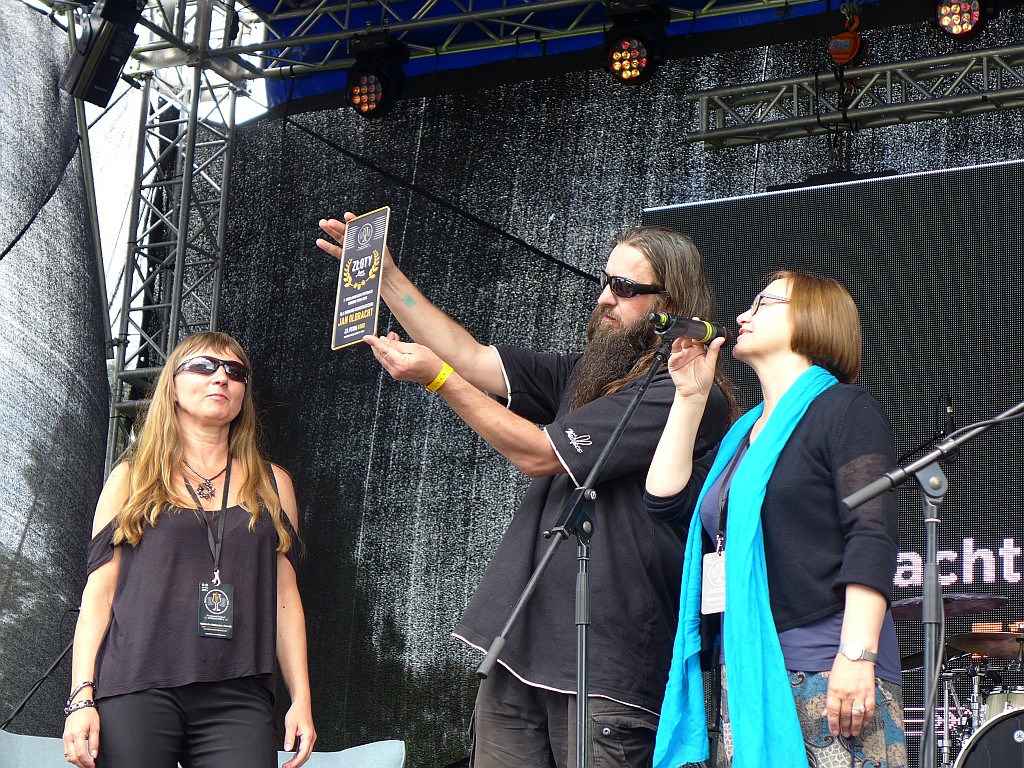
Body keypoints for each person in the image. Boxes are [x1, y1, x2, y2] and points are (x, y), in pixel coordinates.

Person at [317, 216, 733, 767]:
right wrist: (388, 277)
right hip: (521, 647)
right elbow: (471, 357)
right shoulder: (584, 373)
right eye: (605, 281)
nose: (605, 298)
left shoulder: (681, 392)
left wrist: (439, 380)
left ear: (670, 305)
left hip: (605, 661)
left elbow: (538, 453)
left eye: (625, 288)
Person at [644, 271, 906, 768]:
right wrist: (689, 398)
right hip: (747, 667)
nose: (743, 315)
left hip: (826, 662)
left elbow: (871, 534)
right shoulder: (743, 436)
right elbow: (664, 501)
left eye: (763, 303)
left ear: (813, 318)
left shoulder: (844, 409)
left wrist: (857, 655)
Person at [62, 332, 316, 768]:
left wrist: (302, 698)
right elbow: (99, 595)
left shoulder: (273, 483)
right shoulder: (131, 478)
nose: (221, 377)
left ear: (243, 395)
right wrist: (81, 696)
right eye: (204, 366)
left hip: (238, 690)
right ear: (173, 387)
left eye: (235, 372)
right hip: (136, 683)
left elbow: (285, 599)